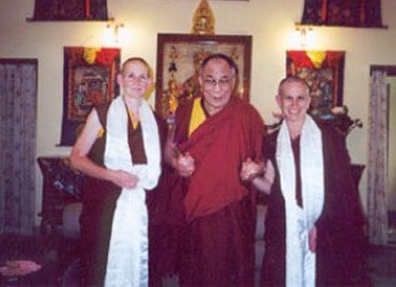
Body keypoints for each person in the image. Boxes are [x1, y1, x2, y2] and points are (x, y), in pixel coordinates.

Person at [241, 76, 368, 286]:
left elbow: (341, 189)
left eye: (300, 98)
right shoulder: (272, 140)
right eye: (288, 98)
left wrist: (318, 224)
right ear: (278, 101)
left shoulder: (328, 137)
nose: (294, 105)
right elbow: (272, 185)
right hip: (283, 224)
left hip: (325, 224)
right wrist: (253, 178)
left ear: (309, 102)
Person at [162, 53, 265, 286]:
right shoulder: (186, 111)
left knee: (232, 272)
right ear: (200, 80)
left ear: (234, 81)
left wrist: (256, 168)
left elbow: (263, 157)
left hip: (233, 211)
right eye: (210, 80)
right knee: (195, 272)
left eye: (224, 80)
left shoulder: (247, 115)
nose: (217, 88)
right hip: (195, 210)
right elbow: (169, 149)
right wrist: (177, 162)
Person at [69, 57, 165, 286]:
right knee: (100, 266)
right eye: (131, 75)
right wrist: (112, 175)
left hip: (144, 205)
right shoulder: (102, 113)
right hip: (104, 205)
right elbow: (76, 158)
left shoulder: (157, 122)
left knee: (143, 262)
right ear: (120, 79)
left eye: (143, 76)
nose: (137, 81)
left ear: (150, 82)